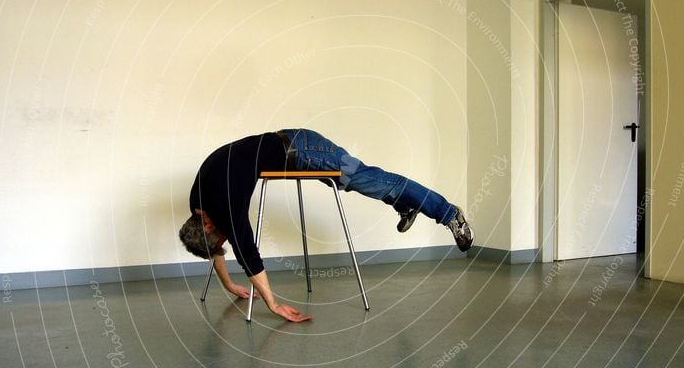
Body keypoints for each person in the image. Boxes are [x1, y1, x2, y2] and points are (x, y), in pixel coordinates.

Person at [179, 129, 474, 322]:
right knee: (361, 184)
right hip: (294, 151)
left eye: (220, 240)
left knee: (368, 180)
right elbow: (217, 248)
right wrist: (230, 285)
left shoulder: (223, 207)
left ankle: (448, 213)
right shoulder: (199, 203)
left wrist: (273, 305)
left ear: (206, 226)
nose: (224, 242)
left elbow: (247, 254)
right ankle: (404, 204)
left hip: (306, 150)